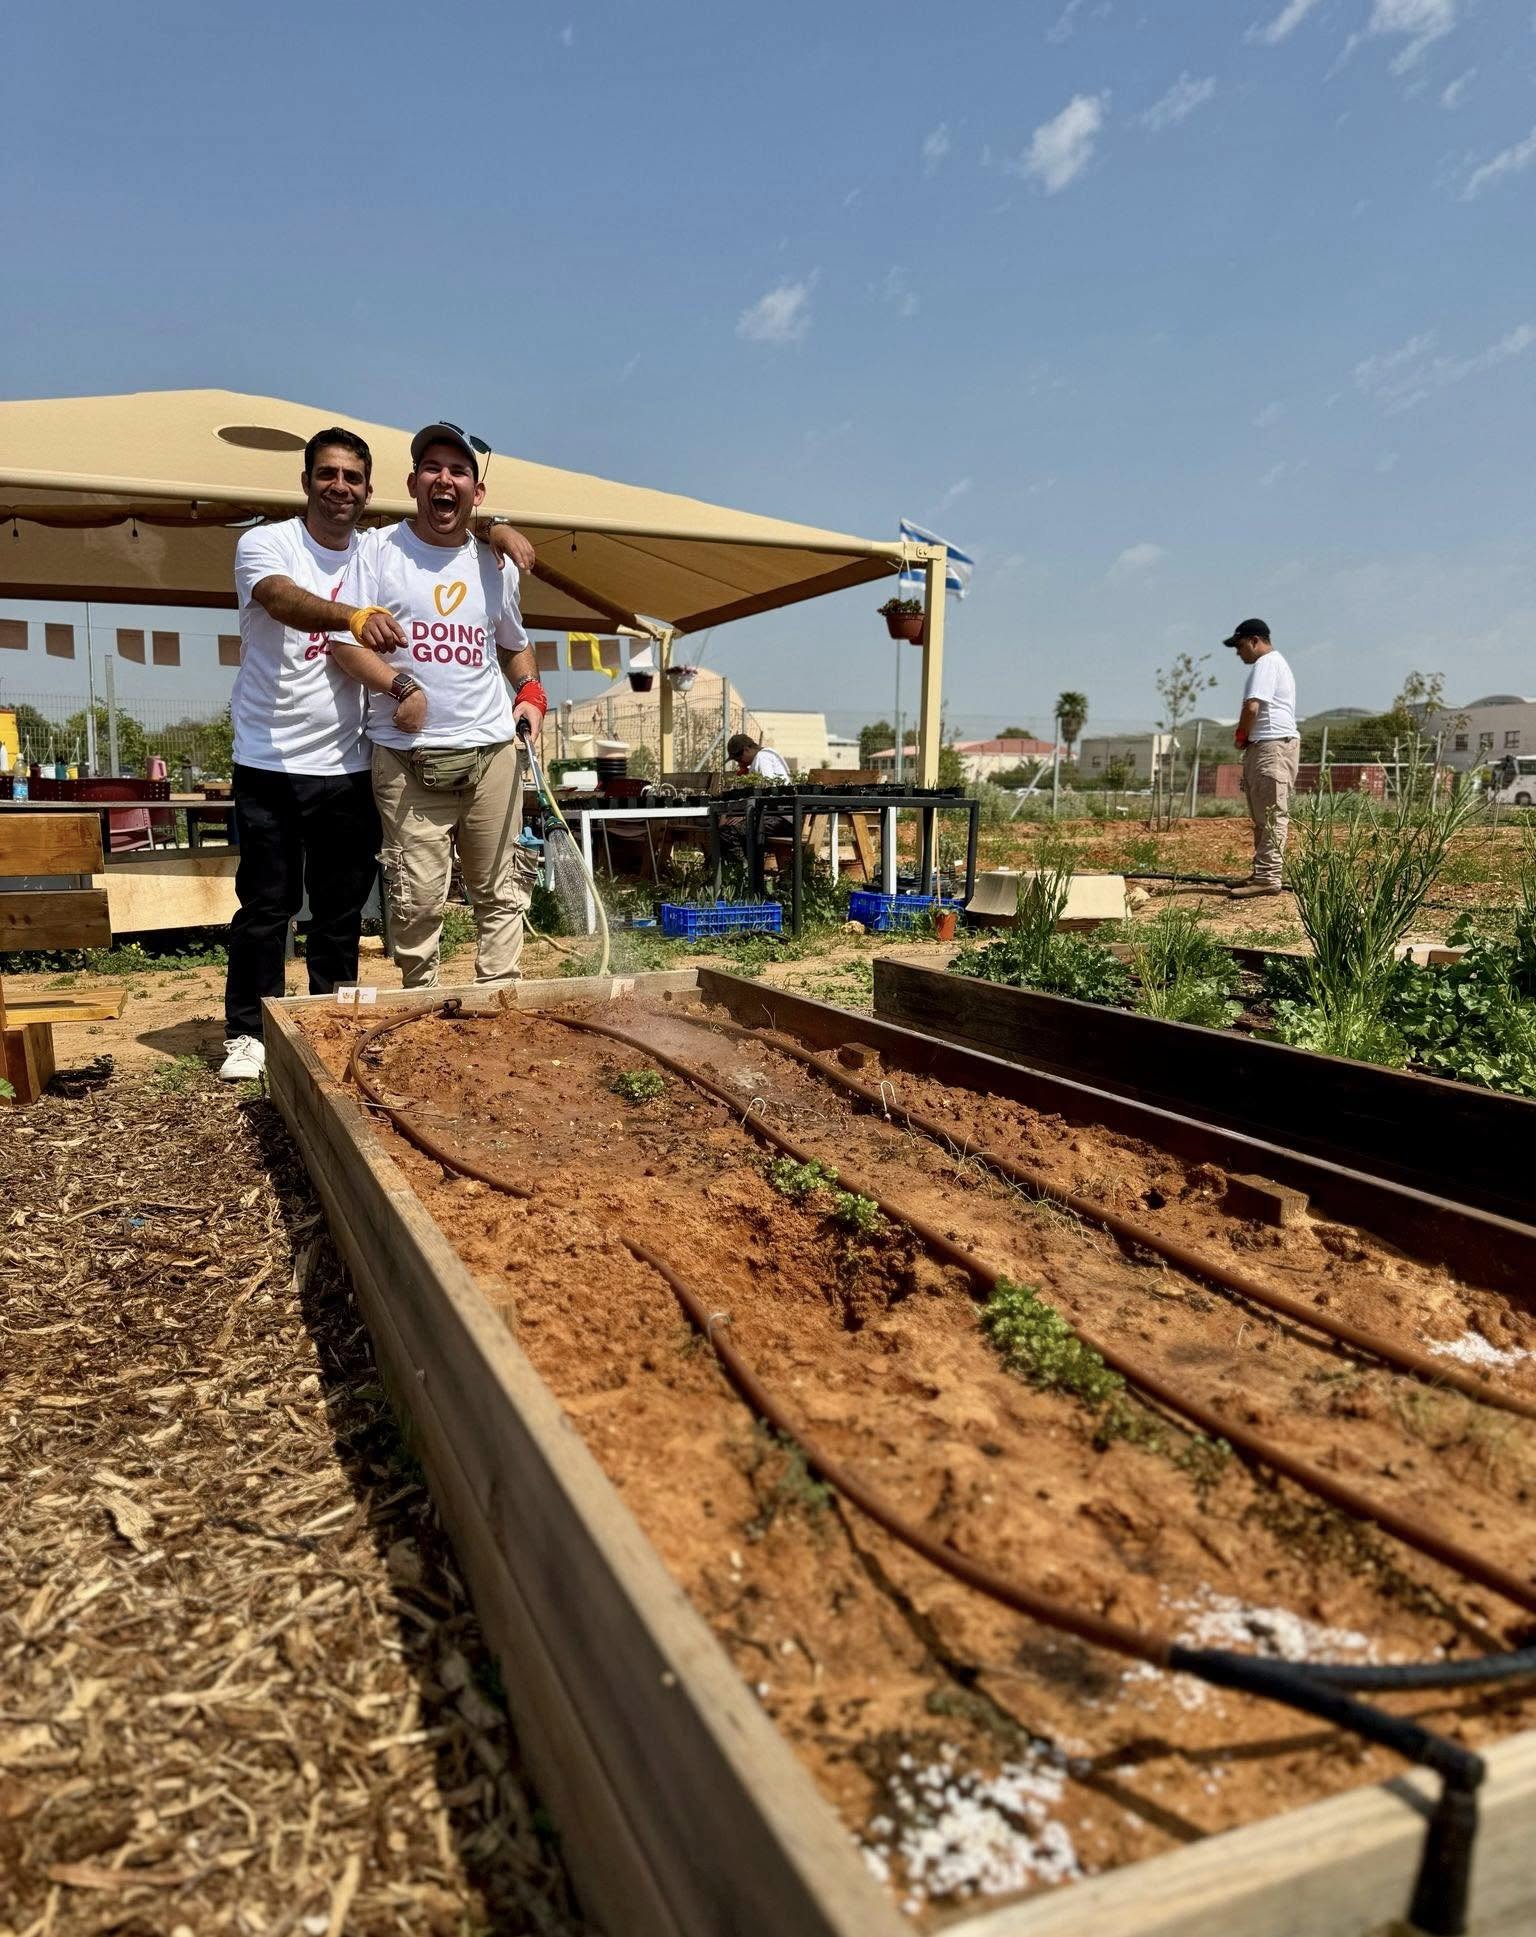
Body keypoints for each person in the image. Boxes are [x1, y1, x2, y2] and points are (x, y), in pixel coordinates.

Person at [219, 426, 534, 1079]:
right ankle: (250, 1033)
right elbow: (283, 600)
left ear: (368, 490)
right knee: (272, 905)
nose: (340, 487)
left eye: (352, 478)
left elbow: (502, 624)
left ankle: (339, 1023)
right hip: (278, 757)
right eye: (327, 474)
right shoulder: (293, 546)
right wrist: (385, 665)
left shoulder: (456, 557)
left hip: (353, 760)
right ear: (306, 481)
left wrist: (496, 525)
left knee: (343, 911)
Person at [328, 422, 548, 989]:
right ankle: (422, 1003)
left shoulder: (495, 564)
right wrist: (400, 687)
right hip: (407, 757)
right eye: (432, 468)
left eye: (458, 471)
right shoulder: (376, 551)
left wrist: (531, 693)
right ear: (412, 483)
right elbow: (343, 644)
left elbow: (513, 645)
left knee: (501, 891)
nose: (444, 479)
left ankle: (499, 1000)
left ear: (477, 491)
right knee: (416, 899)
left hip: (492, 751)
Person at [1224, 617, 1300, 899]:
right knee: (1262, 816)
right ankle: (1261, 873)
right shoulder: (1270, 664)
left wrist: (1241, 734)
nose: (1238, 652)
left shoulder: (1266, 663)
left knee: (1272, 815)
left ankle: (1268, 878)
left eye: (1240, 645)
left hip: (1272, 747)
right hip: (1266, 746)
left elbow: (1252, 707)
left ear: (1255, 641)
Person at [717, 732, 793, 867]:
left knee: (729, 831)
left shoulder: (762, 758)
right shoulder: (765, 755)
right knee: (733, 829)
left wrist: (747, 814)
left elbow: (768, 792)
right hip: (774, 815)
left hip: (780, 817)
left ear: (747, 749)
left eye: (739, 758)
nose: (739, 763)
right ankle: (748, 870)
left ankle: (744, 872)